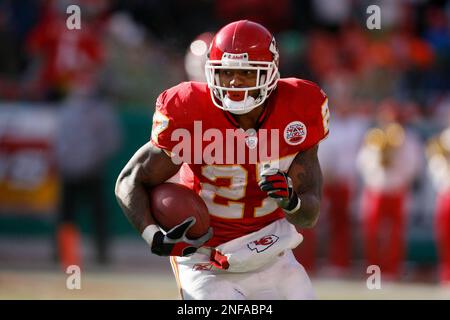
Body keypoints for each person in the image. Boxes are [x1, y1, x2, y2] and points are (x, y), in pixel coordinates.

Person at [115, 20, 330, 299]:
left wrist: (291, 200)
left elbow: (310, 214)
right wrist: (153, 235)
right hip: (205, 261)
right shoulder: (188, 110)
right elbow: (131, 179)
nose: (234, 82)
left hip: (273, 256)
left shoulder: (300, 106)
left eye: (246, 73)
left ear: (271, 73)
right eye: (226, 72)